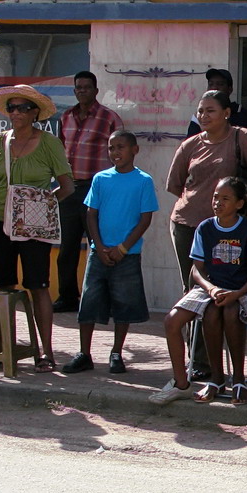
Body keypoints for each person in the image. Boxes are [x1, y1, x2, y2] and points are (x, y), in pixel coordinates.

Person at [167, 90, 247, 379]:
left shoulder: (243, 137)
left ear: (227, 112)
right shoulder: (190, 145)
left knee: (226, 299)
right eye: (200, 111)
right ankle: (199, 364)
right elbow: (176, 185)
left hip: (231, 231)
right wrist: (202, 209)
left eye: (210, 110)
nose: (203, 116)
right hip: (189, 226)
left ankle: (229, 370)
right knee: (195, 292)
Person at [0, 85, 75, 371]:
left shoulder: (49, 143)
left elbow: (66, 187)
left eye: (21, 108)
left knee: (38, 286)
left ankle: (46, 353)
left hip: (33, 228)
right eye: (11, 108)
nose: (15, 113)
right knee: (1, 287)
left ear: (34, 113)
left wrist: (40, 204)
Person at [151, 177, 247, 405]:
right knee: (172, 321)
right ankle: (181, 384)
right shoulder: (205, 228)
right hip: (210, 287)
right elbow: (197, 269)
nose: (218, 202)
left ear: (239, 204)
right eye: (215, 197)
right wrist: (211, 289)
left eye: (225, 198)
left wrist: (237, 293)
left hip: (242, 288)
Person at [63, 130, 156, 376]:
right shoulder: (100, 179)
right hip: (98, 253)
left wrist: (123, 248)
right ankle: (84, 353)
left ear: (135, 150)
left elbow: (145, 219)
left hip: (128, 255)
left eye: (121, 147)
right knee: (89, 303)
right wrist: (98, 245)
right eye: (111, 148)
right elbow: (90, 214)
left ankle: (116, 352)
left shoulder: (143, 181)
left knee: (123, 305)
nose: (116, 153)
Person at [54, 69, 122, 313]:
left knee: (100, 247)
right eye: (78, 87)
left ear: (96, 90)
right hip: (71, 188)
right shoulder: (66, 117)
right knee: (67, 249)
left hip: (98, 189)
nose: (82, 91)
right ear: (74, 91)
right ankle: (68, 297)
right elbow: (59, 151)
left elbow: (120, 154)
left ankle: (104, 299)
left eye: (86, 87)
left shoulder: (109, 118)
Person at [185, 68, 247, 138]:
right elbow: (189, 148)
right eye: (211, 84)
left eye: (220, 84)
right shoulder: (199, 116)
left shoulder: (244, 116)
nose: (214, 88)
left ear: (230, 89)